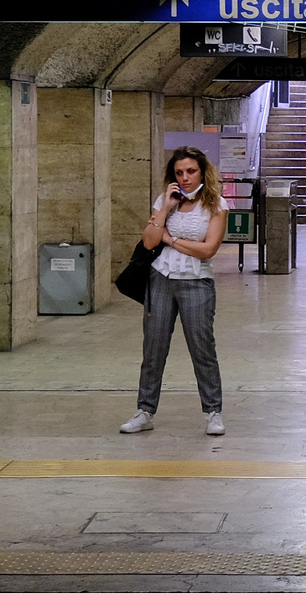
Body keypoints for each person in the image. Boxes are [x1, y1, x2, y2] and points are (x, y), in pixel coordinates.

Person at [120, 146, 229, 436]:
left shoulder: (216, 204)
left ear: (202, 171)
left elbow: (208, 250)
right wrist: (166, 208)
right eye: (179, 173)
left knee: (202, 348)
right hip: (160, 280)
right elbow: (148, 241)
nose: (185, 178)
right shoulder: (164, 200)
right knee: (153, 349)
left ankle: (213, 412)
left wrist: (170, 239)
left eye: (191, 171)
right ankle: (145, 411)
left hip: (196, 282)